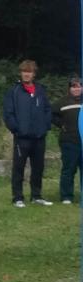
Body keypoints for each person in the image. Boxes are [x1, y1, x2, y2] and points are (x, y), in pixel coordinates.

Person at [2, 60, 53, 207]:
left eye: (29, 72)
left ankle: (36, 196)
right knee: (19, 168)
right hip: (22, 138)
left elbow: (47, 109)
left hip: (39, 137)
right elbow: (8, 113)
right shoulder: (14, 91)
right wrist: (16, 129)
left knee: (38, 168)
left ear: (34, 74)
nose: (26, 74)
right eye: (24, 71)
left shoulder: (40, 90)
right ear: (21, 73)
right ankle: (17, 198)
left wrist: (45, 126)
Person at [52, 76, 82, 204]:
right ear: (69, 88)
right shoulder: (62, 102)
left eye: (79, 86)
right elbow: (51, 114)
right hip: (69, 141)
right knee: (68, 169)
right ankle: (66, 196)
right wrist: (61, 124)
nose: (77, 89)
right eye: (74, 86)